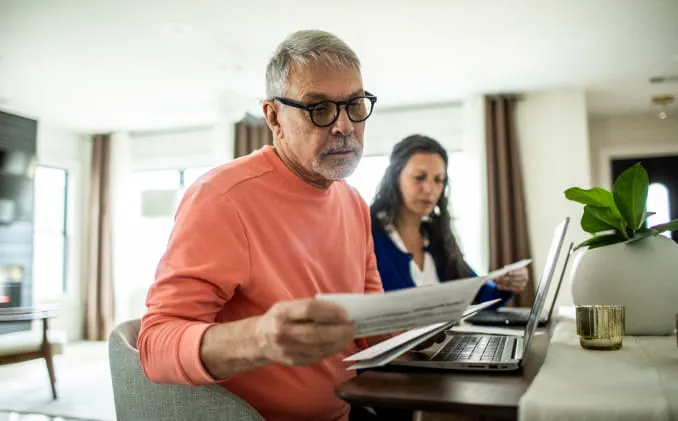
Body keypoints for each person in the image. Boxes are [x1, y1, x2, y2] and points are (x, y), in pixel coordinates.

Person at [138, 30, 393, 421]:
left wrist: (439, 330)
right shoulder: (223, 198)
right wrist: (259, 338)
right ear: (274, 117)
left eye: (355, 104)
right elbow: (155, 346)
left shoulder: (354, 203)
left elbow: (371, 327)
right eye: (319, 108)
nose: (344, 125)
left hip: (349, 410)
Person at [370, 134, 529, 304]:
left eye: (439, 180)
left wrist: (509, 284)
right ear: (394, 177)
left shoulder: (436, 236)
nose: (430, 189)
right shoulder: (369, 231)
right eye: (419, 177)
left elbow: (476, 295)